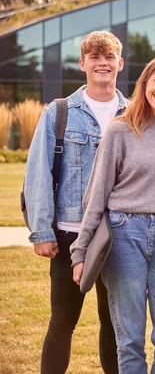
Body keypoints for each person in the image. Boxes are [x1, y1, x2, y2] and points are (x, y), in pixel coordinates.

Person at [69, 51, 155, 373]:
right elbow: (97, 195)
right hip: (124, 235)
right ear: (145, 81)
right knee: (129, 339)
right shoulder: (120, 131)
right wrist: (80, 251)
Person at [23, 30, 124, 374]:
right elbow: (37, 173)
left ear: (119, 64)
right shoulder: (60, 113)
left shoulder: (134, 113)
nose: (102, 63)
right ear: (82, 64)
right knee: (62, 321)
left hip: (121, 235)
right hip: (71, 234)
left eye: (109, 56)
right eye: (94, 57)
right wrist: (41, 232)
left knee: (114, 326)